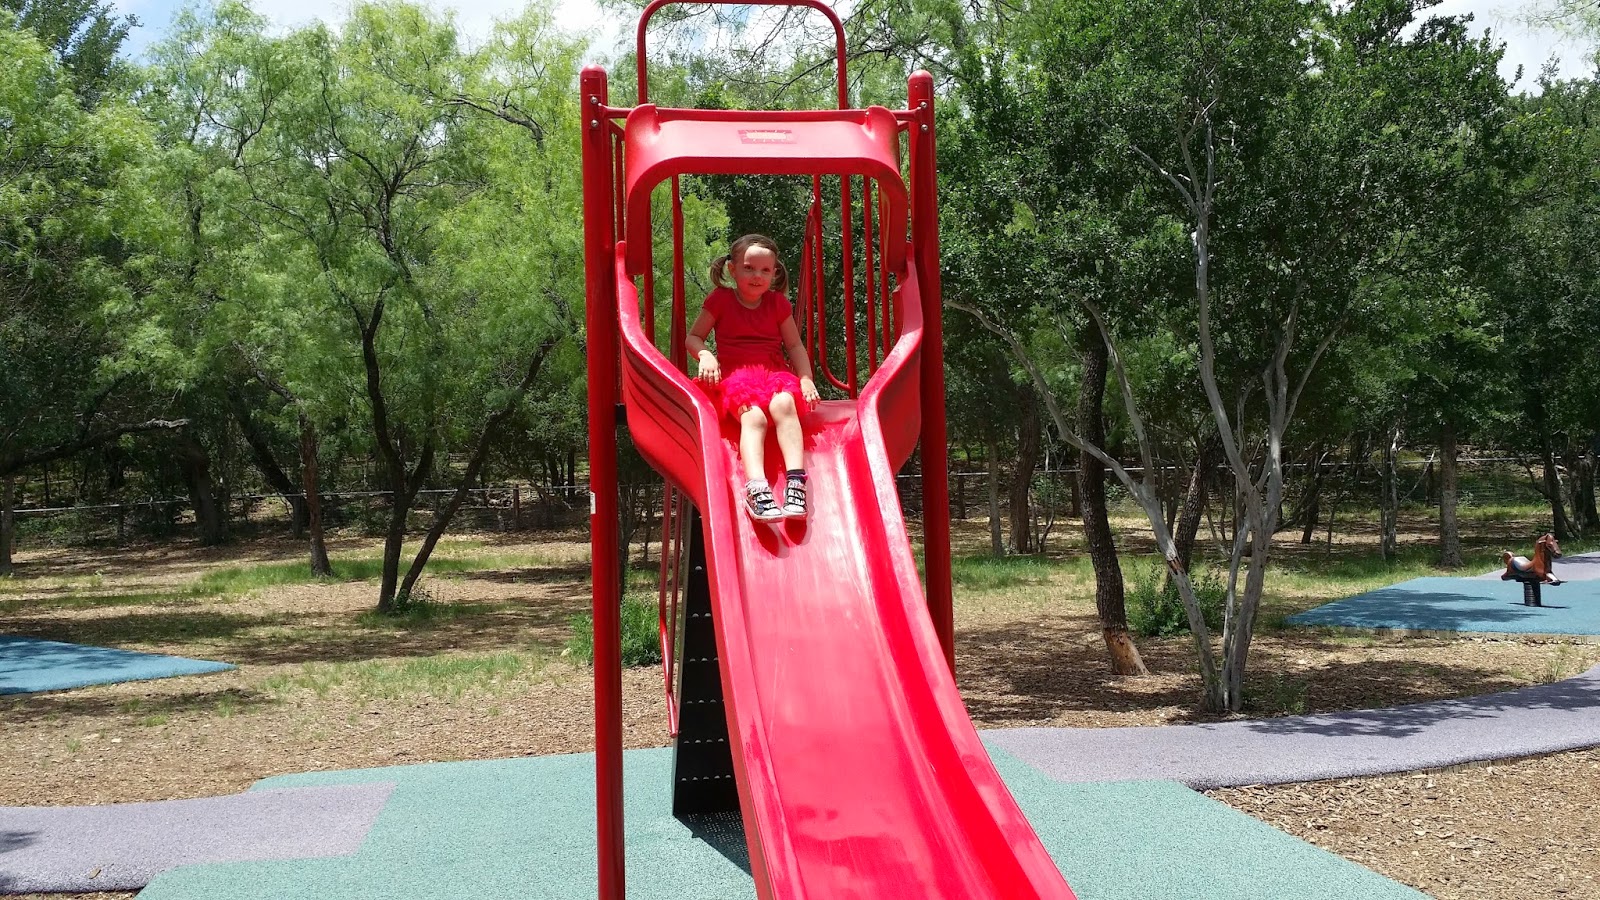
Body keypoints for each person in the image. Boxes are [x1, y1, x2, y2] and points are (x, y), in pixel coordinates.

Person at [687, 234, 820, 521]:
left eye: (765, 270)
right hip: (736, 376)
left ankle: (796, 481)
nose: (757, 276)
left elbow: (794, 346)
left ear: (774, 274)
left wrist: (806, 378)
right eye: (749, 268)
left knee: (785, 404)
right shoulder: (721, 300)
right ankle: (756, 487)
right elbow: (694, 337)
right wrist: (706, 355)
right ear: (732, 270)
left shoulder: (777, 304)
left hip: (773, 372)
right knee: (754, 417)